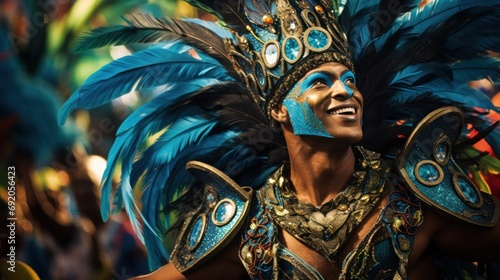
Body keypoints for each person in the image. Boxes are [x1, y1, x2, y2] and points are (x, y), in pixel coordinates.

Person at [59, 0, 500, 279]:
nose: (347, 91)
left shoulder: (416, 199)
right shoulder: (248, 230)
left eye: (349, 79)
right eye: (321, 82)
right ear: (280, 109)